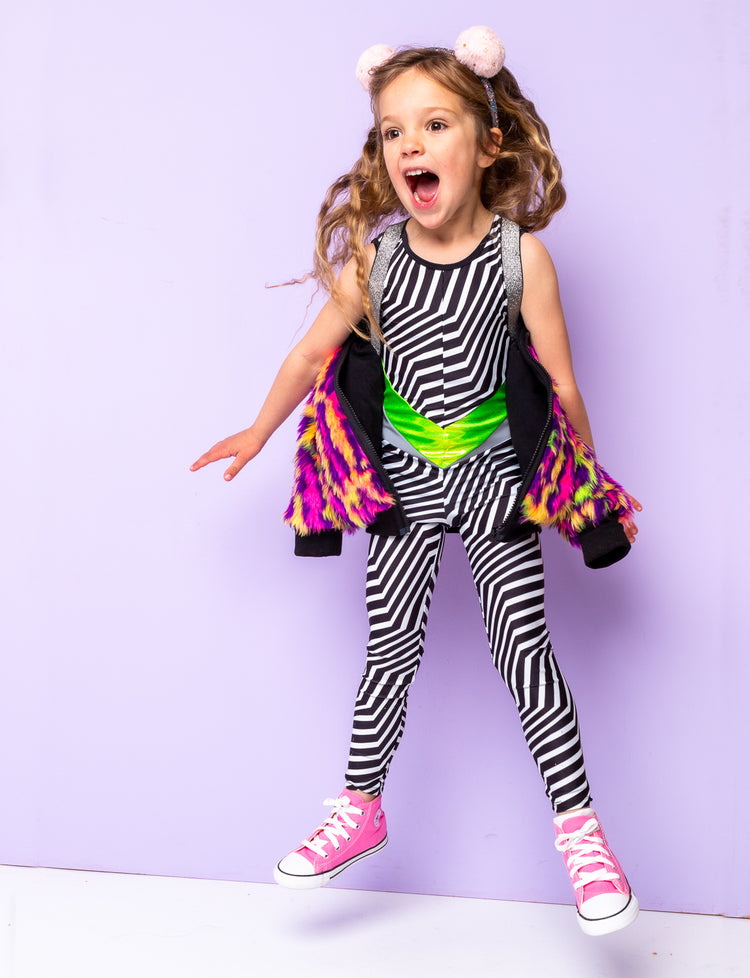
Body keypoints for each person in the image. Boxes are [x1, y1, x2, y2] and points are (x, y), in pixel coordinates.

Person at [191, 27, 642, 937]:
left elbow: (559, 385)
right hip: (402, 479)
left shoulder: (523, 259)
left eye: (434, 125)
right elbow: (313, 351)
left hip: (493, 478)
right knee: (388, 649)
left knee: (525, 652)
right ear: (382, 155)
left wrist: (584, 490)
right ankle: (362, 808)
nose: (411, 147)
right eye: (393, 132)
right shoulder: (377, 259)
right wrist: (258, 427)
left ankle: (582, 835)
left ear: (488, 141)